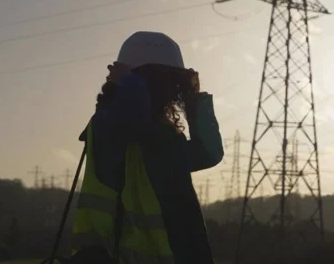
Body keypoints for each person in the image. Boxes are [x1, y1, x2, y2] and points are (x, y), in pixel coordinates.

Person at [70, 31, 224, 264]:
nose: (169, 92)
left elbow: (209, 153)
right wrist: (129, 81)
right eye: (165, 82)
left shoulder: (165, 137)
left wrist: (195, 101)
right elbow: (133, 119)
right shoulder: (109, 124)